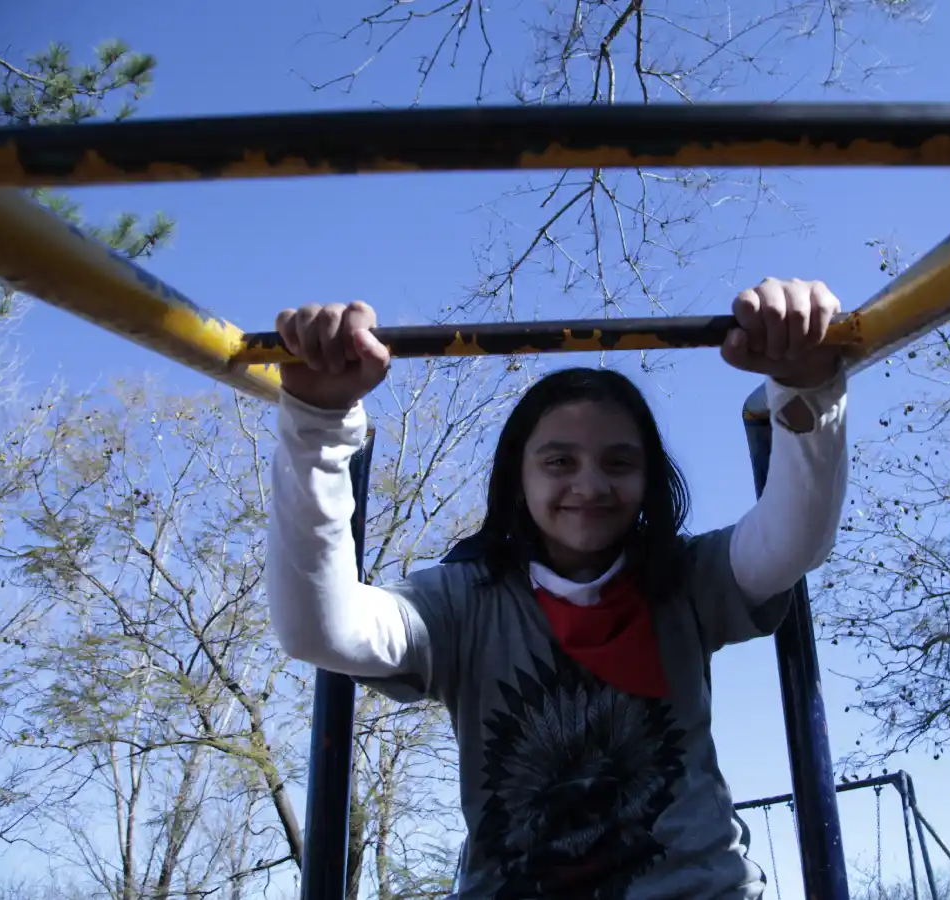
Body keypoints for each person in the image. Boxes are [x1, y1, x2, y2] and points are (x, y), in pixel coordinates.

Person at [267, 277, 849, 898]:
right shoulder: (463, 603)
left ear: (649, 479)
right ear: (518, 479)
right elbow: (321, 628)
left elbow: (791, 541)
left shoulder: (683, 579)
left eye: (619, 463)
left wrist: (806, 389)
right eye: (559, 462)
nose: (590, 486)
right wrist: (317, 426)